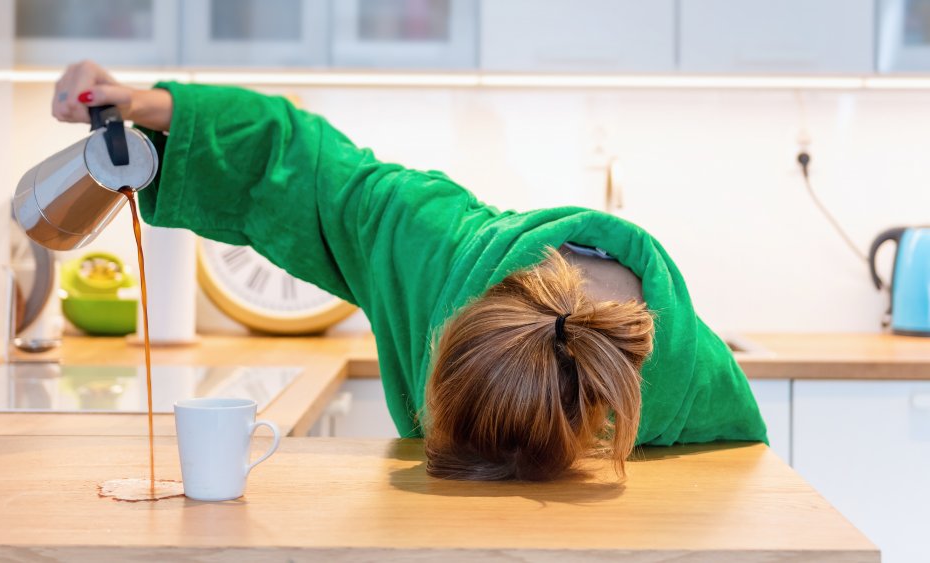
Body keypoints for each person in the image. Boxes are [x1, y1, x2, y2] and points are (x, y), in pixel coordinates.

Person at [52, 61, 767, 482]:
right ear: (446, 326)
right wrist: (152, 107)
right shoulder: (429, 247)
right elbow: (304, 164)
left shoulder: (690, 384)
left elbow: (738, 494)